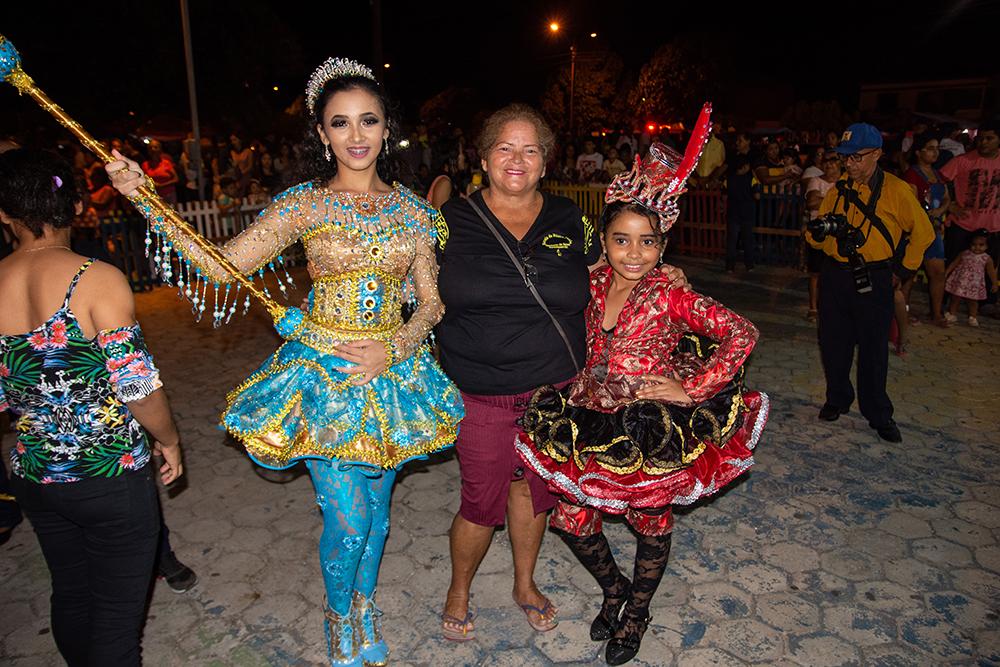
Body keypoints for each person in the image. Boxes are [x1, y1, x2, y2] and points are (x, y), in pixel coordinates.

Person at [108, 58, 463, 667]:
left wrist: (395, 346)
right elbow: (222, 267)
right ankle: (336, 617)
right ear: (322, 134)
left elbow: (431, 305)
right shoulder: (304, 205)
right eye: (340, 123)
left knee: (377, 519)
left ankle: (363, 606)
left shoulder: (415, 212)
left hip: (392, 376)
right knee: (349, 522)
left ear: (386, 128)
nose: (356, 135)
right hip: (323, 378)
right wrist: (146, 202)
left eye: (368, 120)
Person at [516, 122, 767, 665]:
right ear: (603, 241)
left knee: (649, 523)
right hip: (585, 415)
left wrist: (694, 386)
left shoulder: (671, 294)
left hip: (648, 426)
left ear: (663, 243)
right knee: (572, 519)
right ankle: (615, 591)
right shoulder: (592, 280)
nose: (635, 253)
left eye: (648, 241)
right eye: (621, 240)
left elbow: (741, 332)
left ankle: (638, 612)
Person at [0, 148, 183, 666]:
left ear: (3, 212)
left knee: (72, 594)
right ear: (78, 204)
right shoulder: (95, 278)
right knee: (117, 627)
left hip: (35, 477)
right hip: (107, 476)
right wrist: (168, 439)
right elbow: (137, 387)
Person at [806, 123, 935, 443]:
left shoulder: (897, 191)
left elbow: (924, 235)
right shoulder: (837, 190)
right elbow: (817, 238)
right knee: (833, 343)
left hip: (875, 276)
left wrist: (903, 270)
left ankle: (878, 413)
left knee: (874, 349)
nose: (849, 164)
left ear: (877, 154)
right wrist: (820, 233)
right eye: (845, 157)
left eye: (856, 158)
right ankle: (837, 398)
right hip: (835, 274)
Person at [940, 122, 1000, 309]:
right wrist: (949, 205)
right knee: (952, 264)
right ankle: (944, 301)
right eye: (980, 138)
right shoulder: (963, 160)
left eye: (989, 138)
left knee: (988, 269)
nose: (983, 142)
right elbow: (936, 181)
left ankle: (983, 305)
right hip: (962, 224)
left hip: (993, 225)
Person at [902, 134, 951, 326]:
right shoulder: (912, 175)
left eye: (936, 148)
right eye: (930, 148)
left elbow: (947, 197)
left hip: (935, 230)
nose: (935, 152)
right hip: (917, 230)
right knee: (909, 273)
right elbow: (911, 204)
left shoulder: (938, 174)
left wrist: (939, 211)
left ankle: (936, 313)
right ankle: (902, 312)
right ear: (918, 152)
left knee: (938, 272)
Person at [803, 152, 843, 321]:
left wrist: (823, 198)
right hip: (818, 231)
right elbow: (811, 203)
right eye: (826, 161)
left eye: (833, 161)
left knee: (839, 273)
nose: (829, 164)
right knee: (815, 273)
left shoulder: (846, 182)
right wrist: (836, 199)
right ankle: (813, 308)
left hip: (839, 233)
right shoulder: (816, 181)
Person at [944, 229, 999, 326]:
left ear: (987, 246)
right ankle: (952, 314)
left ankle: (972, 317)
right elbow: (954, 263)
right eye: (974, 244)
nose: (977, 247)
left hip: (974, 284)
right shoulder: (964, 253)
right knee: (955, 298)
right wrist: (947, 272)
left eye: (981, 245)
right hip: (960, 281)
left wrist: (994, 283)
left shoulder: (986, 258)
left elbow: (991, 272)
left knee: (973, 301)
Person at [724, 132, 756, 272]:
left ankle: (737, 265)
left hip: (739, 209)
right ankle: (742, 264)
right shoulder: (750, 178)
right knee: (741, 238)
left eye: (740, 140)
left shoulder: (729, 180)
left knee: (738, 239)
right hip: (741, 209)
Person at [141, 139, 179, 205]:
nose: (153, 149)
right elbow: (143, 180)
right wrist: (152, 184)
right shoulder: (145, 165)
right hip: (154, 196)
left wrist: (162, 185)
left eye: (155, 147)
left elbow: (176, 179)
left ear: (160, 149)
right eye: (150, 148)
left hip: (169, 194)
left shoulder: (166, 163)